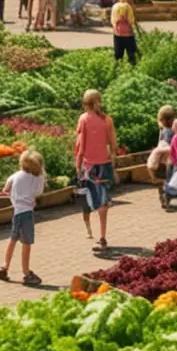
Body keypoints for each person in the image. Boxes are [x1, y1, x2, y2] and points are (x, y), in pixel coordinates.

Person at [74, 90, 119, 252]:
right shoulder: (107, 120)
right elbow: (113, 145)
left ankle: (91, 232)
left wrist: (78, 167)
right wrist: (113, 165)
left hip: (90, 167)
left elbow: (80, 146)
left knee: (90, 200)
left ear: (86, 104)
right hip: (105, 165)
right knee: (103, 204)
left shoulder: (84, 119)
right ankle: (102, 237)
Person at [0, 148, 46, 285]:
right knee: (26, 244)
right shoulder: (38, 178)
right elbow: (38, 192)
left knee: (12, 240)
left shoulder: (15, 175)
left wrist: (14, 194)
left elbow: (6, 188)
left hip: (17, 213)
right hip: (27, 214)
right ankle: (26, 272)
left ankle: (4, 267)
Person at [110, 0, 140, 65]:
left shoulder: (116, 6)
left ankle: (118, 68)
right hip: (127, 34)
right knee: (131, 54)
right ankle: (132, 67)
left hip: (118, 33)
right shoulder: (127, 6)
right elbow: (131, 20)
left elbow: (113, 21)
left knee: (118, 54)